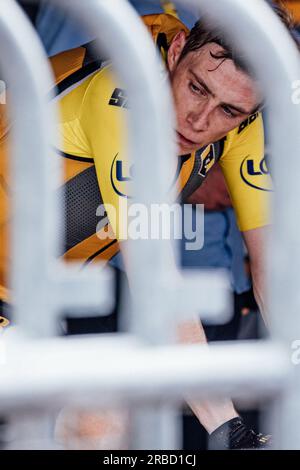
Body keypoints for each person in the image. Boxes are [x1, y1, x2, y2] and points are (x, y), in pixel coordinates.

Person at [0, 4, 295, 449]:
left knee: (96, 426)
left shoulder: (238, 114)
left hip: (30, 302)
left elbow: (273, 265)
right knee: (99, 421)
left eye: (229, 110)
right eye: (197, 89)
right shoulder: (123, 90)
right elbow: (157, 280)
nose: (200, 120)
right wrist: (228, 427)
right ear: (177, 51)